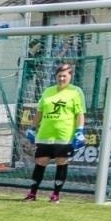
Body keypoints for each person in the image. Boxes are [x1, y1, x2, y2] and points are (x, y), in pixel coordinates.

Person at [23, 61, 86, 203]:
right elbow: (40, 112)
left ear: (70, 76)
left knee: (61, 162)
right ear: (55, 76)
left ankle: (55, 195)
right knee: (40, 162)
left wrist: (80, 131)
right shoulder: (48, 91)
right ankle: (32, 193)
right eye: (59, 76)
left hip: (64, 136)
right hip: (45, 135)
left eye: (64, 76)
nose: (61, 79)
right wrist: (32, 128)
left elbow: (80, 113)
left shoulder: (76, 92)